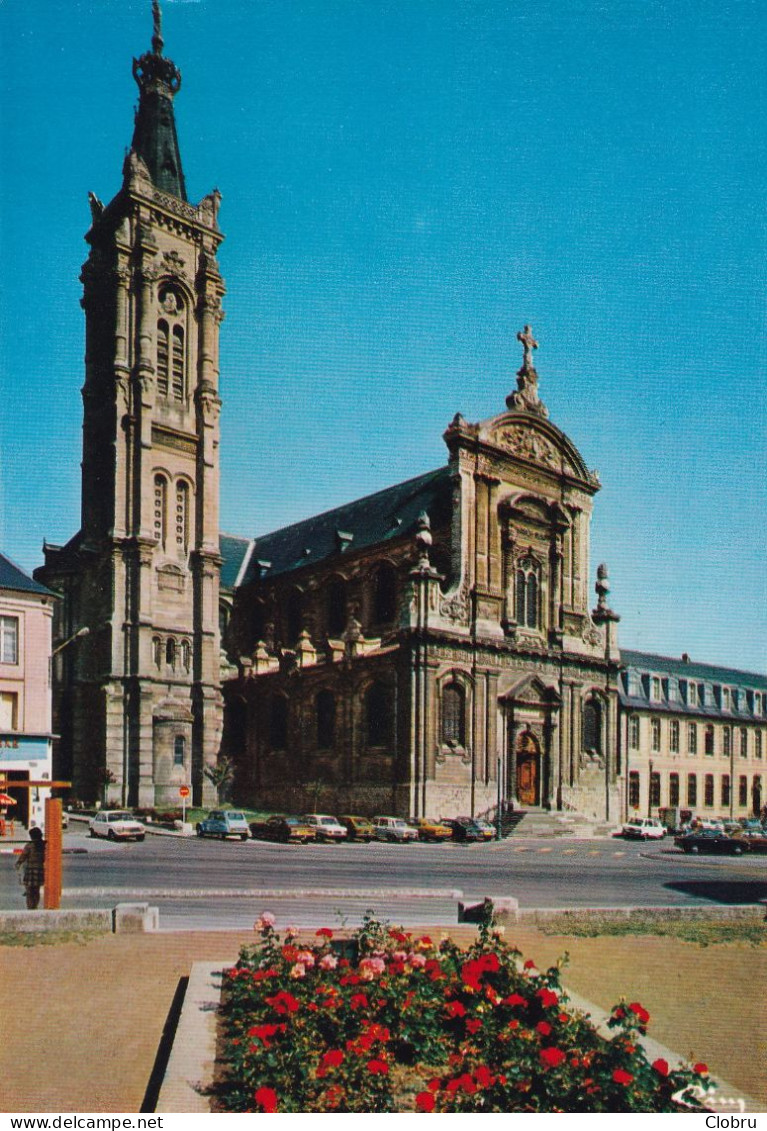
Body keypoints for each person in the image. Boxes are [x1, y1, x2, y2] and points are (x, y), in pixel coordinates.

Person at [16, 826, 45, 910]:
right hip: (39, 869)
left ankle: (30, 907)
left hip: (30, 870)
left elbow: (23, 856)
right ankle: (35, 905)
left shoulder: (29, 846)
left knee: (29, 890)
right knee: (36, 890)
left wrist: (18, 863)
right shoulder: (43, 846)